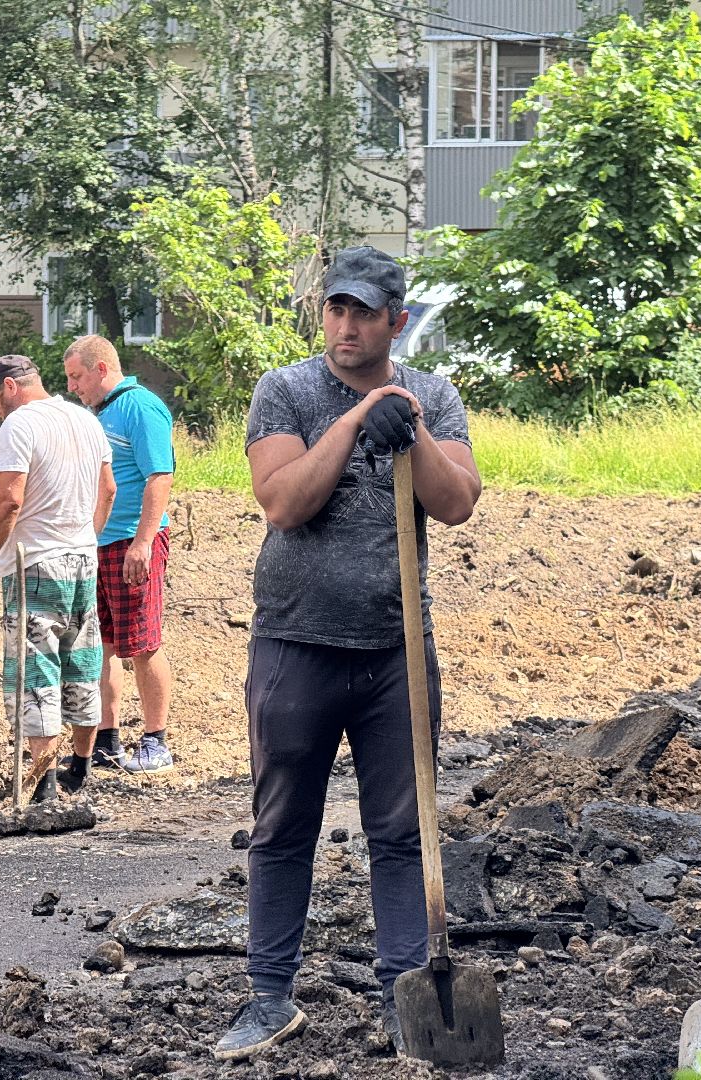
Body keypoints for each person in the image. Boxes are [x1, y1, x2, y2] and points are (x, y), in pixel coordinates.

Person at [214, 246, 482, 1062]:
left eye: (365, 312)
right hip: (296, 644)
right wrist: (356, 421)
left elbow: (458, 503)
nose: (347, 326)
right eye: (337, 309)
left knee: (402, 832)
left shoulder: (434, 395)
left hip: (397, 652)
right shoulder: (285, 391)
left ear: (396, 321)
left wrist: (411, 432)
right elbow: (283, 503)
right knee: (281, 826)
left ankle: (406, 1000)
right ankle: (269, 998)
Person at [0, 355, 116, 802]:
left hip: (35, 565)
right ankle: (79, 771)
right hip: (82, 559)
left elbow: (8, 500)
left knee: (36, 671)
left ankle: (44, 785)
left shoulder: (20, 424)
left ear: (9, 386)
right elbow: (108, 490)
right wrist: (85, 537)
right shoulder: (86, 420)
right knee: (82, 663)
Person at [60, 335, 177, 779]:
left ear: (102, 369)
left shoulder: (139, 406)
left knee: (143, 645)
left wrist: (143, 543)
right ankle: (107, 742)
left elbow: (159, 476)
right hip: (99, 544)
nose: (72, 387)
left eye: (77, 376)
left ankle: (156, 742)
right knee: (103, 645)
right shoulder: (99, 413)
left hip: (132, 542)